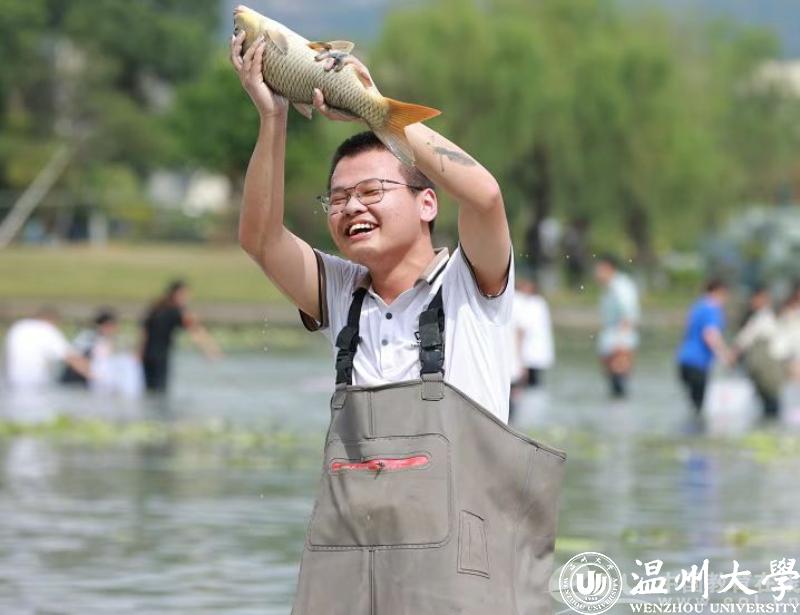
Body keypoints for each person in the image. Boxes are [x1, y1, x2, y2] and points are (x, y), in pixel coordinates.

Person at [229, 14, 565, 614]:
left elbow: (485, 194)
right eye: (337, 198)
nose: (351, 208)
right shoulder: (342, 293)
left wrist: (376, 111)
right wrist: (272, 118)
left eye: (371, 192)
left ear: (427, 202)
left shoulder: (471, 283)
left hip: (462, 573)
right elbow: (260, 238)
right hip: (351, 567)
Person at [138, 280, 220, 393]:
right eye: (184, 295)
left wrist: (139, 351)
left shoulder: (157, 307)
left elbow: (144, 331)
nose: (186, 298)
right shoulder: (175, 311)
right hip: (160, 356)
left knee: (149, 389)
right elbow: (195, 330)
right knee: (159, 390)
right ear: (176, 294)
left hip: (148, 355)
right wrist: (209, 349)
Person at [676, 278, 732, 415]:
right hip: (697, 363)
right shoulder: (711, 309)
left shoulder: (697, 306)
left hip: (684, 361)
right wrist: (725, 355)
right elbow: (710, 335)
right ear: (718, 292)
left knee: (694, 405)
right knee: (699, 407)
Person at [3, 307, 91, 389]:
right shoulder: (46, 329)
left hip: (12, 382)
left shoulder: (18, 326)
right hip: (35, 384)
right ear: (51, 320)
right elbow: (72, 358)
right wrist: (95, 376)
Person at [732, 286, 783, 419]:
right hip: (760, 367)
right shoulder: (759, 316)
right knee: (767, 399)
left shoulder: (764, 316)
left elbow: (744, 339)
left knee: (770, 399)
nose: (752, 302)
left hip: (766, 366)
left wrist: (732, 355)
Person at [594, 254, 640, 398]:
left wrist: (620, 342)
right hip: (610, 338)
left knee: (619, 380)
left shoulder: (621, 287)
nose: (596, 274)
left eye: (599, 270)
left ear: (609, 268)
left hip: (620, 340)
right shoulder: (608, 287)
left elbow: (628, 316)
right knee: (611, 380)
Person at [511, 274, 554, 388]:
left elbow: (523, 329)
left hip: (531, 355)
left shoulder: (536, 303)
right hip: (525, 356)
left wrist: (520, 359)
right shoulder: (524, 301)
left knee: (531, 387)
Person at [60, 308, 118, 386]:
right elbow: (71, 357)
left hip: (92, 383)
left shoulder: (107, 340)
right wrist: (92, 374)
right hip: (75, 382)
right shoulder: (88, 337)